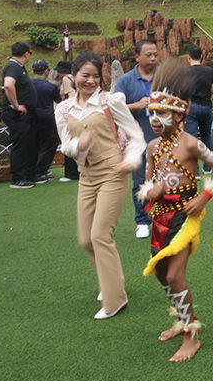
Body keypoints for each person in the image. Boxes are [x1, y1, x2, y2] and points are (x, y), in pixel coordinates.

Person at [137, 59, 213, 362]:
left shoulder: (191, 144)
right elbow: (149, 179)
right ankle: (181, 319)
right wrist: (152, 190)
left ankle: (192, 334)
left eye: (162, 113)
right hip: (160, 217)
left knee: (176, 275)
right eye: (152, 112)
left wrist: (203, 197)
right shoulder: (152, 147)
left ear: (179, 114)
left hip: (184, 216)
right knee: (162, 275)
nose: (154, 119)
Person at [55, 51, 145, 319]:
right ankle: (112, 281)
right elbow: (65, 144)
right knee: (85, 240)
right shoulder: (63, 108)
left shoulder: (111, 101)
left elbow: (135, 135)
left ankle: (114, 299)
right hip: (87, 176)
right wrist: (77, 145)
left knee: (100, 235)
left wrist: (130, 159)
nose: (91, 81)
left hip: (113, 172)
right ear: (73, 76)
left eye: (96, 76)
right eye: (85, 75)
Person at [114, 40, 158, 239]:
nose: (153, 58)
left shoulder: (163, 77)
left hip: (162, 139)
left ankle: (163, 216)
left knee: (165, 178)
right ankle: (142, 221)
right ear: (137, 56)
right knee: (140, 181)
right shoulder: (126, 80)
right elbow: (113, 107)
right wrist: (137, 105)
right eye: (149, 54)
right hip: (138, 140)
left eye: (156, 54)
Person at [0, 41, 38, 189]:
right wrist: (16, 105)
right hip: (16, 113)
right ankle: (18, 177)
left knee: (26, 143)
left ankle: (27, 174)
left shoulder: (17, 67)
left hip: (23, 113)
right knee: (20, 144)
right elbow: (8, 84)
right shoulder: (13, 66)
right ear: (26, 53)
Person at [30, 59, 60, 182]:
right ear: (46, 71)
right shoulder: (50, 86)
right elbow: (58, 100)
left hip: (31, 117)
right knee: (50, 143)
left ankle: (32, 169)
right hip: (47, 117)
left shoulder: (28, 84)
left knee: (34, 144)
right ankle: (41, 171)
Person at [183, 45, 213, 153]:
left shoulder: (185, 72)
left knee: (191, 138)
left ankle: (193, 167)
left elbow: (183, 92)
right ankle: (208, 166)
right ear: (201, 56)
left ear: (188, 57)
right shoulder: (209, 71)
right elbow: (212, 89)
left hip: (192, 106)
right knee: (206, 137)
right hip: (206, 106)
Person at [54, 60, 79, 182]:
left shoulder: (66, 79)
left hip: (71, 113)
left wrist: (66, 112)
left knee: (68, 140)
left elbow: (71, 96)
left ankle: (71, 173)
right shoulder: (75, 77)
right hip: (80, 112)